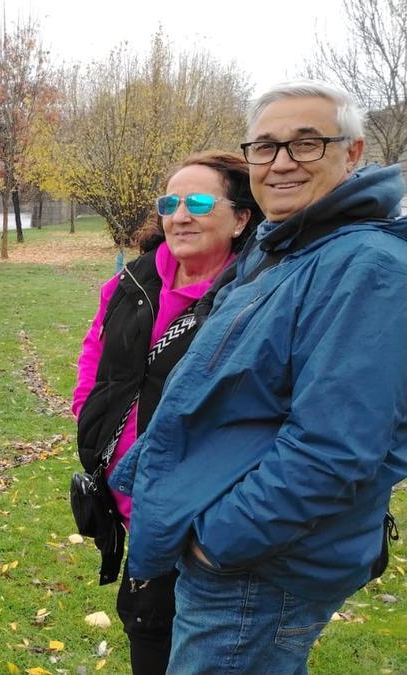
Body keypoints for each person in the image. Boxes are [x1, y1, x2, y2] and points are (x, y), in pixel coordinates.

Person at [111, 79, 407, 674]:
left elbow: (333, 451)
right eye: (264, 147)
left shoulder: (366, 268)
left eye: (306, 144)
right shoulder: (291, 248)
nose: (280, 164)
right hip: (248, 559)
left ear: (352, 153)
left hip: (259, 573)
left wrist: (218, 542)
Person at [72, 151, 263, 674]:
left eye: (199, 202)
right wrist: (93, 428)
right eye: (170, 203)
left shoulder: (256, 295)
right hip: (135, 504)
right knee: (148, 630)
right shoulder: (134, 283)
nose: (180, 215)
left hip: (207, 518)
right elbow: (95, 358)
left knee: (215, 645)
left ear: (241, 217)